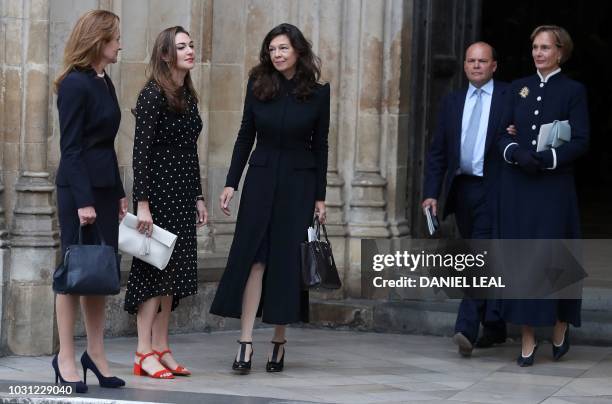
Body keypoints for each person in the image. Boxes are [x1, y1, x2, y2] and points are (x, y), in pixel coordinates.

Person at [209, 23, 330, 374]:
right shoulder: (258, 85)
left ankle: (278, 340)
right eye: (272, 49)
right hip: (261, 179)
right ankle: (245, 342)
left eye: (283, 48)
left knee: (287, 262)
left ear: (298, 51)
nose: (277, 54)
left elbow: (320, 146)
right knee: (255, 259)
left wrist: (320, 197)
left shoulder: (318, 93)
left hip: (299, 184)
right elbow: (245, 134)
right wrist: (232, 182)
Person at [498, 25, 589, 367]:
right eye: (535, 47)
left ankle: (560, 320)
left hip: (554, 187)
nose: (538, 53)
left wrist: (549, 159)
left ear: (561, 51)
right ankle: (527, 335)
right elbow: (500, 133)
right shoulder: (518, 87)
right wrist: (515, 152)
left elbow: (581, 140)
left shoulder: (573, 90)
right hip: (520, 185)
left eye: (545, 47)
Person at [123, 26, 208, 379]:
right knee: (154, 272)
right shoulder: (152, 95)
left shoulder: (188, 96)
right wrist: (142, 203)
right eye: (182, 46)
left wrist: (199, 196)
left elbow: (191, 151)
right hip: (158, 194)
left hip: (183, 193)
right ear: (164, 55)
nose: (190, 50)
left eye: (191, 44)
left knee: (172, 276)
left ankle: (162, 347)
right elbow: (139, 153)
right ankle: (143, 351)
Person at [53, 10, 127, 393]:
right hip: (78, 191)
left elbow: (106, 145)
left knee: (100, 273)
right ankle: (65, 356)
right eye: (115, 38)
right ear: (98, 41)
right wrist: (84, 201)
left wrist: (118, 192)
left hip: (103, 189)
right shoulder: (73, 85)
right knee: (73, 274)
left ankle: (96, 354)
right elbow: (71, 149)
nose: (120, 44)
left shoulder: (104, 82)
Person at [422, 42, 508, 357]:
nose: (475, 66)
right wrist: (431, 192)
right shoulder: (453, 101)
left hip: (494, 187)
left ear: (494, 66)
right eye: (471, 61)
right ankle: (495, 325)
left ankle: (466, 327)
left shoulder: (508, 97)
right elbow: (438, 152)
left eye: (482, 61)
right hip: (462, 189)